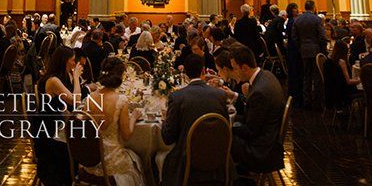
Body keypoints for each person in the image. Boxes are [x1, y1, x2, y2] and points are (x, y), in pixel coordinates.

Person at [160, 53, 230, 186]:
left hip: (187, 161)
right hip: (218, 157)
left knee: (160, 157)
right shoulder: (220, 95)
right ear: (203, 71)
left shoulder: (177, 97)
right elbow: (226, 128)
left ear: (185, 73)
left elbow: (168, 138)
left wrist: (164, 119)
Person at [82, 56, 144, 185]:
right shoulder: (121, 100)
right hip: (112, 162)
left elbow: (85, 128)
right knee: (139, 160)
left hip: (90, 158)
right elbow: (126, 136)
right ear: (120, 76)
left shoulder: (90, 98)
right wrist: (133, 118)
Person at [32, 46, 86, 186]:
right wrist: (76, 77)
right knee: (84, 138)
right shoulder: (53, 81)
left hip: (59, 122)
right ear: (64, 61)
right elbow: (76, 101)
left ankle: (79, 172)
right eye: (73, 60)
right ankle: (74, 174)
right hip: (49, 129)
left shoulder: (61, 76)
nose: (75, 63)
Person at [230, 44, 285, 178]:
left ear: (244, 67)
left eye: (235, 68)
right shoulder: (266, 75)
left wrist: (228, 127)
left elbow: (250, 131)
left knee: (221, 138)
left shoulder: (259, 92)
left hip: (262, 149)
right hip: (268, 138)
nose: (234, 72)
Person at [291, 0, 326, 109]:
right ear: (313, 7)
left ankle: (307, 100)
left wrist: (300, 47)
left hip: (304, 50)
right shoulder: (317, 19)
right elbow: (322, 36)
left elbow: (294, 37)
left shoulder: (298, 20)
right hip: (315, 49)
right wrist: (322, 49)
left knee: (306, 75)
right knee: (317, 76)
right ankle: (317, 100)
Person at [323, 40, 360, 109]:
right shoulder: (341, 62)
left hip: (331, 91)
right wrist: (360, 80)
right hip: (342, 92)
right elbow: (348, 82)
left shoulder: (328, 61)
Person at [285, 3, 302, 108]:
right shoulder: (292, 22)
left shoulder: (291, 21)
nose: (297, 10)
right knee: (295, 70)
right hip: (293, 49)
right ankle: (295, 92)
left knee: (293, 70)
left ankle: (292, 91)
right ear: (291, 10)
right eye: (295, 8)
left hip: (291, 48)